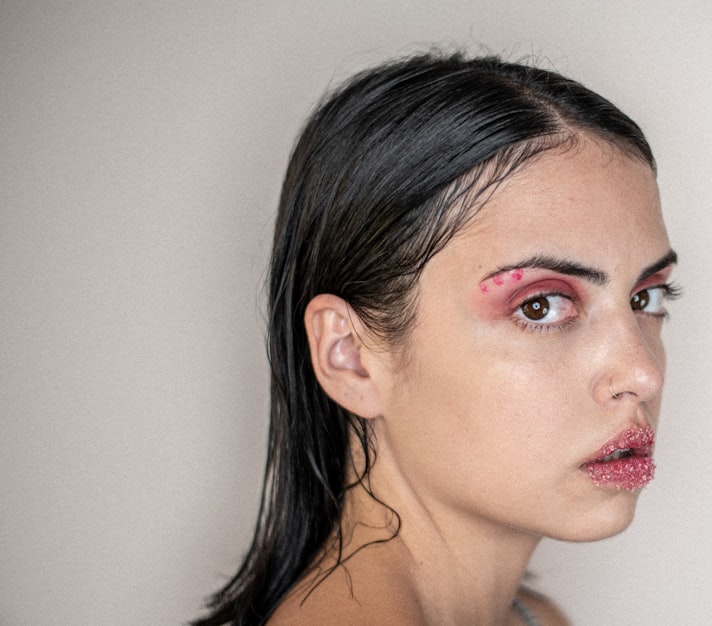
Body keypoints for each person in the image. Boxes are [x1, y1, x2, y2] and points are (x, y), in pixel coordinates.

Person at [196, 51, 678, 625]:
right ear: (349, 357)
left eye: (644, 298)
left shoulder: (535, 618)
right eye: (540, 305)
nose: (641, 373)